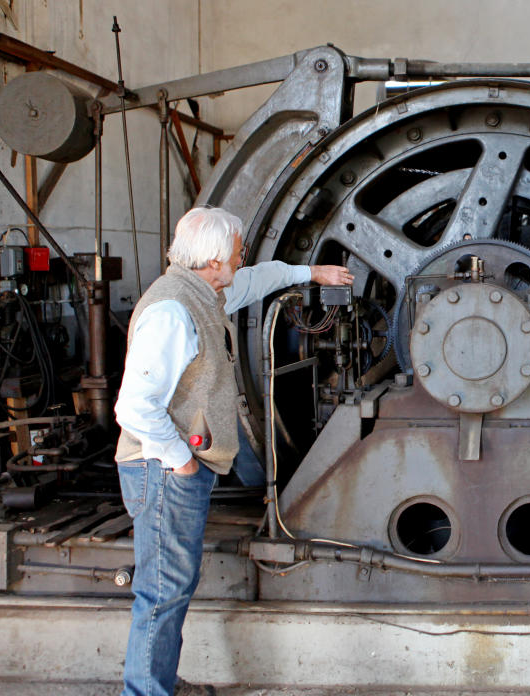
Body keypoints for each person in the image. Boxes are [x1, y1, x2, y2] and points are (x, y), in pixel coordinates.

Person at [114, 205, 352, 696]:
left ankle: (159, 682)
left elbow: (258, 280)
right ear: (216, 258)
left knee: (172, 587)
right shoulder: (172, 309)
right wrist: (179, 461)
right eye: (238, 253)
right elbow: (135, 406)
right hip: (162, 471)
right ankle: (146, 692)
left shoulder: (205, 293)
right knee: (161, 592)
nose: (243, 260)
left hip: (175, 469)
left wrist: (313, 272)